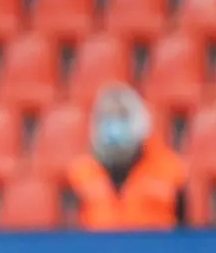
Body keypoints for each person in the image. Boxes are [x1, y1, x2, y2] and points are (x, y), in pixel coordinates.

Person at [66, 84, 186, 230]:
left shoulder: (171, 170)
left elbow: (185, 232)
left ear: (140, 121)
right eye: (106, 117)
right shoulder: (80, 174)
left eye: (122, 116)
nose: (114, 125)